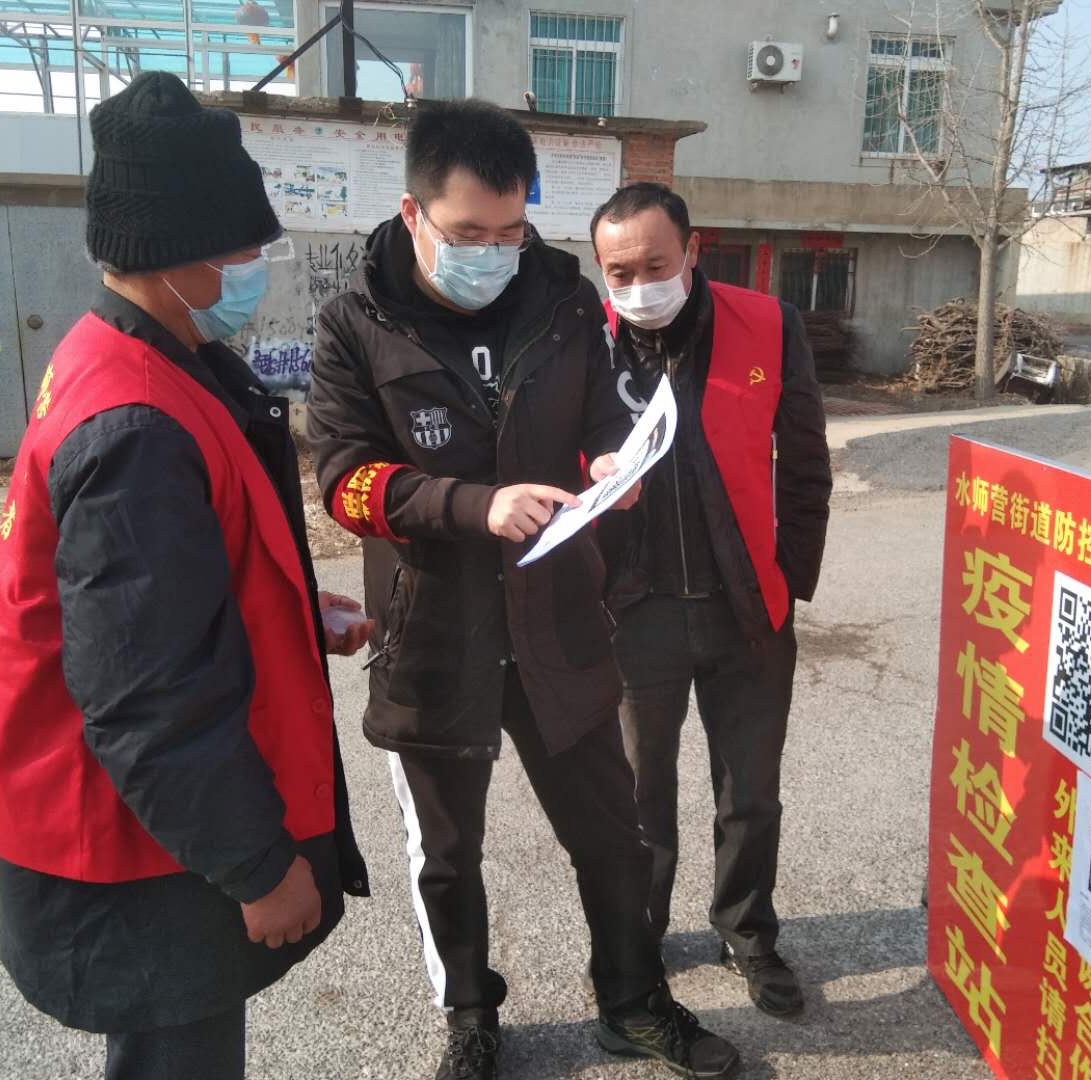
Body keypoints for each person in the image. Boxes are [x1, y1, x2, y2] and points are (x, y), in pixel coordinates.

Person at [306, 99, 741, 1080]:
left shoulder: (561, 298)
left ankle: (633, 1003)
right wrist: (475, 505)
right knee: (447, 855)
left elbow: (601, 413)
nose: (496, 254)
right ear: (414, 213)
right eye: (470, 235)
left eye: (512, 231)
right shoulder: (354, 323)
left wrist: (610, 462)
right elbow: (346, 483)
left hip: (559, 621)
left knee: (612, 835)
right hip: (431, 631)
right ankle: (470, 1018)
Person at [0, 71, 372, 1080]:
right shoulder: (136, 425)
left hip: (154, 826)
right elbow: (145, 692)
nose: (257, 266)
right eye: (245, 248)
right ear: (179, 252)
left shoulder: (137, 354)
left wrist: (287, 608)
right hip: (145, 845)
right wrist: (257, 865)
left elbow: (167, 586)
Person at [591, 182, 832, 1018]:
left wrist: (789, 580)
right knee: (638, 797)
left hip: (746, 607)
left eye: (655, 265)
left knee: (750, 790)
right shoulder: (587, 342)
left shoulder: (768, 324)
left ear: (693, 250)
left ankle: (747, 930)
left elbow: (805, 464)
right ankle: (640, 938)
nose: (639, 286)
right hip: (634, 612)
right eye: (619, 272)